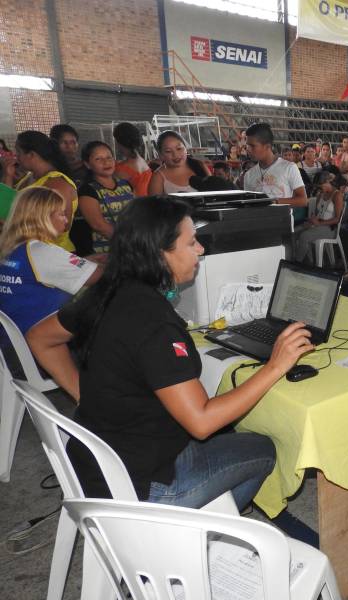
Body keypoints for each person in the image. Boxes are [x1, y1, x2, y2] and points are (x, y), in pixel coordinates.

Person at [27, 196, 312, 510]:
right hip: (142, 486)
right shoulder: (153, 322)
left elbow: (40, 338)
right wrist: (275, 365)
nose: (201, 250)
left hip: (97, 463)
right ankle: (193, 536)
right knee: (263, 449)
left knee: (227, 428)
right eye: (191, 243)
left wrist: (85, 394)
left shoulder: (108, 290)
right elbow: (201, 422)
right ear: (159, 253)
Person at [0, 187, 100, 335]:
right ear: (43, 217)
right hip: (37, 342)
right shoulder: (42, 251)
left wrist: (85, 261)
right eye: (61, 214)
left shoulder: (12, 247)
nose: (66, 220)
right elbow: (97, 276)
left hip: (13, 340)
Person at [5, 130, 78, 252]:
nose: (16, 157)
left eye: (18, 152)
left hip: (54, 253)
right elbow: (8, 205)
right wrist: (8, 176)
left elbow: (63, 225)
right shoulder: (28, 178)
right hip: (30, 251)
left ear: (31, 155)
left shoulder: (56, 183)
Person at [77, 141, 136, 254]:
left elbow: (137, 212)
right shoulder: (88, 190)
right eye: (98, 159)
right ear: (88, 164)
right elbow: (98, 225)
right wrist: (128, 242)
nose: (106, 162)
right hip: (106, 253)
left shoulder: (126, 185)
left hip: (132, 247)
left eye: (109, 157)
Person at [242, 123, 307, 209]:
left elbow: (303, 200)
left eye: (252, 146)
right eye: (247, 145)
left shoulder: (289, 168)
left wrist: (273, 202)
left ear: (267, 146)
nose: (248, 149)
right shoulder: (248, 175)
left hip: (282, 221)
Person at [293, 171, 344, 264]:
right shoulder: (320, 194)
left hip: (330, 229)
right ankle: (309, 261)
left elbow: (337, 219)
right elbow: (317, 214)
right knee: (294, 233)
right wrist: (311, 221)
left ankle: (297, 263)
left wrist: (319, 223)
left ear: (328, 182)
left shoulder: (337, 195)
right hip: (318, 225)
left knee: (304, 236)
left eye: (321, 185)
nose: (320, 188)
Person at [147, 131, 209, 195]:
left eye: (179, 148)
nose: (175, 155)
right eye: (168, 151)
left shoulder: (200, 165)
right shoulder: (158, 177)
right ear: (160, 155)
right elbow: (153, 204)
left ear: (185, 148)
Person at [113, 122, 152, 197]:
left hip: (132, 206)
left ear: (119, 142)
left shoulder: (119, 168)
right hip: (147, 204)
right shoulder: (143, 162)